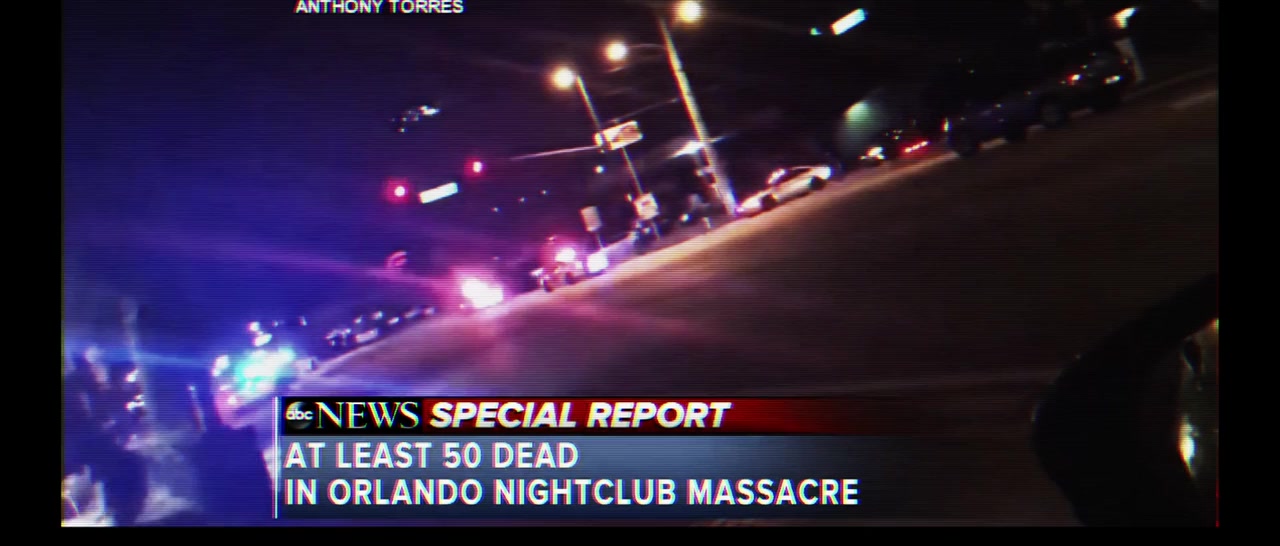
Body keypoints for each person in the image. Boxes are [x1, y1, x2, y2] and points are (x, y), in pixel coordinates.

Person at [64, 345, 149, 526]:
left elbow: (101, 408)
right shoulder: (74, 386)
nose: (95, 374)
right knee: (124, 464)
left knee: (125, 464)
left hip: (86, 442)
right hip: (79, 443)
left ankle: (116, 513)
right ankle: (116, 514)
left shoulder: (83, 387)